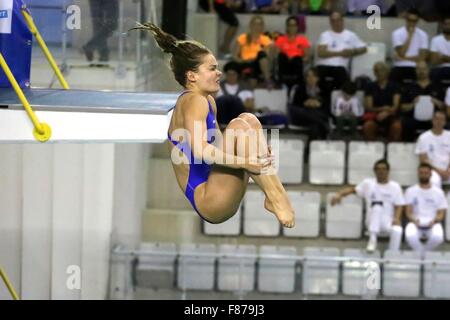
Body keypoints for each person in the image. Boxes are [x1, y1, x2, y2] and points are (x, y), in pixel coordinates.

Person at [130, 22, 295, 227]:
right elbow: (200, 151)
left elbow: (217, 146)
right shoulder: (193, 101)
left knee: (249, 120)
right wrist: (245, 162)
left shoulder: (207, 101)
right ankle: (277, 197)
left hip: (218, 184)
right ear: (192, 76)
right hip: (209, 199)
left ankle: (275, 197)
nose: (219, 73)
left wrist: (254, 147)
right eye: (212, 68)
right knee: (239, 126)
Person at [331, 159, 404, 253]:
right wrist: (339, 194)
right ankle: (372, 240)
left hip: (387, 221)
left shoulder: (395, 186)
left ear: (388, 171)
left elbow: (399, 205)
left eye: (383, 169)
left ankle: (393, 254)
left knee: (398, 229)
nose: (381, 171)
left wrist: (397, 218)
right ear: (375, 171)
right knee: (377, 206)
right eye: (378, 169)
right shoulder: (368, 184)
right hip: (371, 221)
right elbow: (353, 190)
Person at [315, 11, 367, 99]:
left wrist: (352, 51)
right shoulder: (325, 35)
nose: (336, 23)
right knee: (318, 75)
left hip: (340, 68)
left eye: (338, 20)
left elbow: (364, 48)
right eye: (333, 21)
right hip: (323, 66)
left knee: (341, 75)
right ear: (330, 22)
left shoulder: (351, 35)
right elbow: (321, 53)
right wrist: (340, 53)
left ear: (342, 20)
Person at [404, 163, 447, 259]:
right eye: (421, 172)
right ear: (418, 174)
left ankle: (421, 255)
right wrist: (414, 220)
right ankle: (424, 256)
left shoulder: (439, 192)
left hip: (433, 222)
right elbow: (408, 212)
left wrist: (435, 221)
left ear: (431, 174)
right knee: (409, 235)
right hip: (415, 222)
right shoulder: (410, 191)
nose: (424, 175)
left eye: (426, 173)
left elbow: (441, 214)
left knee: (438, 237)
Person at [399, 61, 445, 142]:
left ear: (428, 70)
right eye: (419, 69)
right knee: (406, 124)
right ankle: (407, 147)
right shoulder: (409, 87)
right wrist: (413, 104)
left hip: (433, 119)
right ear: (415, 71)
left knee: (442, 123)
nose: (421, 71)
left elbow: (444, 107)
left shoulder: (437, 86)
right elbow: (402, 107)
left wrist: (436, 102)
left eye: (424, 69)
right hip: (413, 118)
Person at [232, 15, 275, 88]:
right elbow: (235, 56)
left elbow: (268, 57)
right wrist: (243, 61)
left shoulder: (266, 39)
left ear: (262, 26)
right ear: (251, 25)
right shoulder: (242, 38)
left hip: (259, 63)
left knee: (261, 54)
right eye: (255, 24)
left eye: (259, 24)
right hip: (245, 63)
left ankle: (267, 80)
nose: (257, 26)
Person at [363, 62, 402, 142]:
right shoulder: (370, 86)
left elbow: (395, 106)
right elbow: (369, 107)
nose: (379, 73)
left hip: (391, 115)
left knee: (397, 126)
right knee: (368, 126)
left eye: (381, 70)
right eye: (376, 71)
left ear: (387, 71)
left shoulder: (395, 86)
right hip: (375, 116)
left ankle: (392, 150)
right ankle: (371, 150)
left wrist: (387, 113)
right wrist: (382, 109)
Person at [288, 67, 329, 140]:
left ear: (318, 78)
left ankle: (309, 149)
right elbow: (295, 105)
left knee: (315, 126)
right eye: (308, 76)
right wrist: (305, 103)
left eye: (313, 76)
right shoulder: (300, 89)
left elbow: (326, 105)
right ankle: (323, 124)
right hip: (302, 117)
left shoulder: (323, 89)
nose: (310, 78)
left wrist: (318, 104)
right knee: (300, 111)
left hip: (314, 117)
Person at [390, 8, 428, 85]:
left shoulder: (423, 35)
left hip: (416, 67)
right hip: (400, 66)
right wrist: (410, 36)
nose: (411, 23)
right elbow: (402, 53)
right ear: (406, 19)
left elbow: (422, 57)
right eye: (409, 20)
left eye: (414, 21)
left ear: (418, 21)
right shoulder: (397, 33)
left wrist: (403, 58)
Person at [415, 110, 450, 188]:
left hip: (448, 169)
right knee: (434, 180)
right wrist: (440, 172)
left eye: (442, 119)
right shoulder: (423, 137)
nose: (439, 121)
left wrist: (447, 170)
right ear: (432, 120)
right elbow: (423, 161)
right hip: (432, 170)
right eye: (437, 119)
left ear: (445, 122)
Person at [274, 16, 311, 89]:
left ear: (297, 27)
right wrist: (288, 58)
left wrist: (298, 59)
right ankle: (282, 82)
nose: (292, 27)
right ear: (287, 27)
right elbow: (276, 55)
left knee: (297, 58)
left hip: (297, 63)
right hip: (285, 63)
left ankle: (297, 84)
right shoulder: (280, 39)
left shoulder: (303, 40)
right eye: (290, 25)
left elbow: (307, 56)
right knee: (282, 56)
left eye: (294, 25)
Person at [430, 17, 450, 87]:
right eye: (446, 24)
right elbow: (433, 61)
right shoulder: (435, 40)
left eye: (449, 24)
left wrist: (443, 57)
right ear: (442, 25)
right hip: (439, 69)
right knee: (433, 73)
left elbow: (437, 59)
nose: (448, 26)